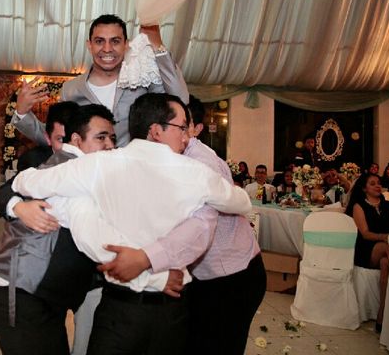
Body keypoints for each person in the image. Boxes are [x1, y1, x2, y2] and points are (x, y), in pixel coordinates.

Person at [11, 93, 252, 354]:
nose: (187, 136)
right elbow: (242, 203)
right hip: (171, 310)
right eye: (182, 127)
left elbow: (25, 181)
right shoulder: (196, 174)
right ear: (156, 130)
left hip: (119, 309)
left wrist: (19, 204)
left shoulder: (98, 165)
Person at [0, 104, 158, 355]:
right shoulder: (74, 174)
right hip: (19, 294)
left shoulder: (78, 166)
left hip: (40, 294)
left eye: (111, 138)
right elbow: (96, 240)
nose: (109, 145)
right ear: (76, 139)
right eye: (100, 138)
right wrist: (155, 272)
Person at [97, 94, 265, 354]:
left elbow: (201, 226)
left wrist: (145, 258)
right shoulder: (153, 160)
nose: (186, 136)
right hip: (201, 275)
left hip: (230, 278)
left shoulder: (198, 165)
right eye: (182, 127)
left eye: (187, 127)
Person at [11, 15, 188, 147]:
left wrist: (158, 46)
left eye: (115, 41)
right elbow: (56, 138)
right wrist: (22, 113)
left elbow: (180, 100)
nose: (107, 49)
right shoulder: (71, 90)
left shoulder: (140, 80)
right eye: (99, 41)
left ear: (126, 45)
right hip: (90, 180)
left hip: (133, 176)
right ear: (89, 45)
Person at [345, 173, 389, 331]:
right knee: (387, 247)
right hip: (365, 249)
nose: (377, 186)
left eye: (379, 183)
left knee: (385, 263)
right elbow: (366, 234)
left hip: (386, 251)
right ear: (364, 188)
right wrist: (387, 237)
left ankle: (382, 314)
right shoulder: (358, 206)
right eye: (372, 183)